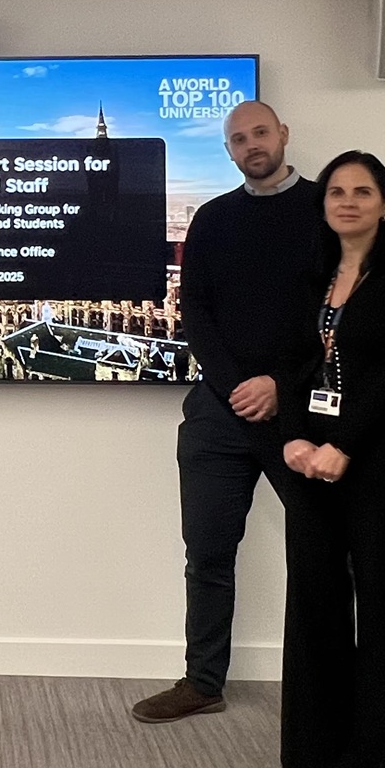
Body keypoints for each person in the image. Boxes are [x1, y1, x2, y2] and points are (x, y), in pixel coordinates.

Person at [132, 101, 324, 724]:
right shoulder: (212, 219)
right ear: (229, 150)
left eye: (260, 133)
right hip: (219, 415)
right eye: (238, 139)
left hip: (303, 415)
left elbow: (338, 317)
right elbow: (196, 313)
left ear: (283, 134)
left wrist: (280, 386)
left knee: (323, 551)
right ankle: (202, 681)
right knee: (208, 554)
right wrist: (240, 386)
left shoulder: (327, 209)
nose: (251, 145)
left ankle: (323, 685)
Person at [277, 151, 385, 768]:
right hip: (307, 460)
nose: (347, 201)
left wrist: (342, 445)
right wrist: (293, 438)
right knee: (313, 604)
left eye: (362, 191)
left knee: (382, 611)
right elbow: (289, 362)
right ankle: (315, 755)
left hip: (378, 459)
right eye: (336, 191)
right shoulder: (309, 275)